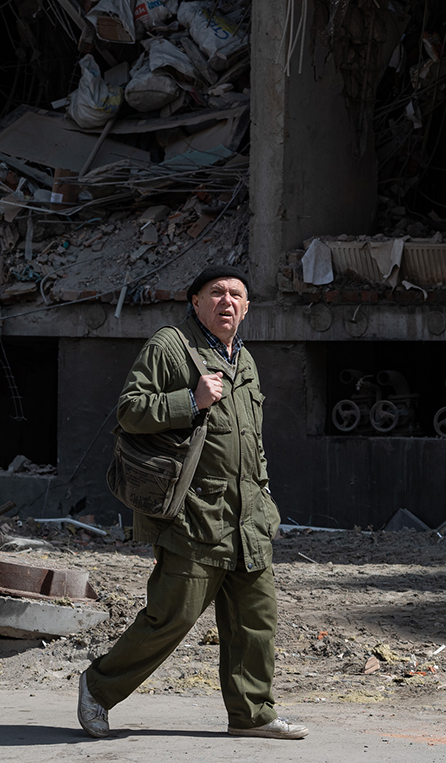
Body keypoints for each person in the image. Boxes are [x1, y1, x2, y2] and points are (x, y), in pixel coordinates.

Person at [78, 265, 307, 740]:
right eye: (216, 293)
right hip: (194, 517)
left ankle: (252, 716)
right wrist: (190, 400)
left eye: (236, 295)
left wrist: (265, 502)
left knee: (255, 620)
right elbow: (130, 411)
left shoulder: (245, 360)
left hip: (248, 519)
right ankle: (98, 688)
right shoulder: (170, 346)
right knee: (173, 615)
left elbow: (251, 441)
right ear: (196, 301)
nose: (227, 302)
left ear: (247, 308)